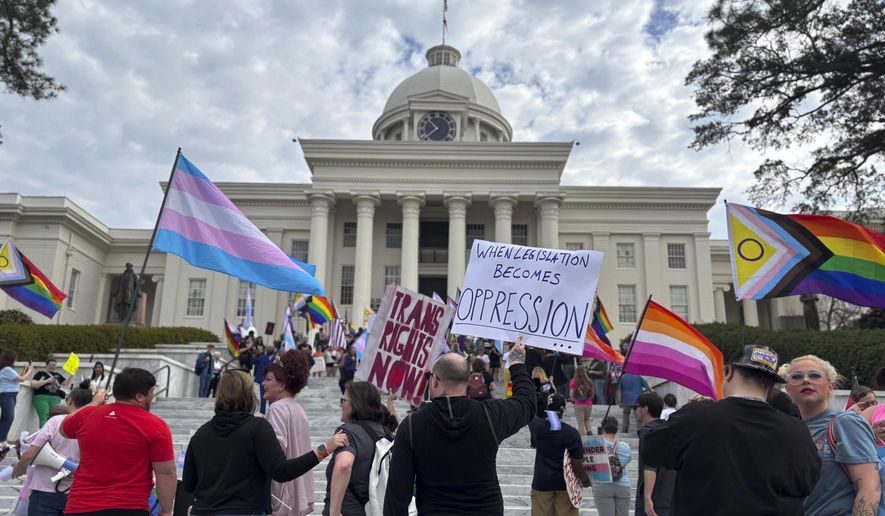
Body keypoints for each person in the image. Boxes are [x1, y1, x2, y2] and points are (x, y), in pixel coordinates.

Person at [641, 345, 822, 515]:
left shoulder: (698, 417)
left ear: (729, 373)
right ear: (771, 387)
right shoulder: (796, 429)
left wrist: (685, 414)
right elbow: (807, 482)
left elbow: (651, 450)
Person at [384, 337, 535, 515]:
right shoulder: (490, 415)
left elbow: (398, 492)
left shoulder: (411, 426)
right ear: (469, 381)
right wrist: (517, 362)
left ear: (435, 381)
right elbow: (527, 403)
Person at [184, 370, 347, 515]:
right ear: (248, 394)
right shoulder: (257, 429)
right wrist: (324, 449)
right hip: (246, 510)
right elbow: (281, 471)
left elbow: (189, 484)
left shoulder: (200, 434)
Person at [61, 367, 177, 516]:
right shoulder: (156, 425)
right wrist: (166, 511)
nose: (153, 396)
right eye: (152, 391)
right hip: (128, 507)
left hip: (79, 506)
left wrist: (93, 403)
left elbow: (64, 428)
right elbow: (166, 472)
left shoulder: (88, 415)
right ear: (139, 396)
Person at [784, 355, 880, 515]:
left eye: (815, 375)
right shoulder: (790, 430)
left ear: (830, 386)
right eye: (797, 376)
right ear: (788, 389)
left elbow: (870, 487)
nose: (806, 380)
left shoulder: (845, 422)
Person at [11, 387, 93, 516]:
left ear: (70, 401)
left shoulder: (56, 421)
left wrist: (20, 467)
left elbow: (31, 453)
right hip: (78, 494)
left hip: (44, 492)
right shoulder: (95, 424)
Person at [324, 381, 398, 516]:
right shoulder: (385, 432)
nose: (341, 404)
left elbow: (344, 465)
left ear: (356, 403)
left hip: (348, 510)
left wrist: (334, 511)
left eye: (344, 400)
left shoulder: (348, 432)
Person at [263, 350, 315, 515]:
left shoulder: (277, 409)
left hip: (281, 496)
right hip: (297, 494)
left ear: (282, 384)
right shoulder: (298, 408)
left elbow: (273, 455)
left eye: (268, 379)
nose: (264, 383)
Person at [529, 394, 590, 516]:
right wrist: (585, 480)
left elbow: (532, 415)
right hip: (564, 484)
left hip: (541, 482)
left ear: (547, 407)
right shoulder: (571, 433)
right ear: (564, 409)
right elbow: (576, 463)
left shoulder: (536, 426)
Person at [633, 392, 676, 516]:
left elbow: (650, 466)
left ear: (645, 409)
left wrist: (647, 498)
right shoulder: (669, 430)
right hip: (668, 497)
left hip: (652, 500)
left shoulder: (647, 432)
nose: (635, 411)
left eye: (636, 407)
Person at [590, 416, 631, 516]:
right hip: (622, 484)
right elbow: (626, 461)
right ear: (616, 429)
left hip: (602, 484)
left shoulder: (595, 445)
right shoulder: (625, 447)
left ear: (603, 428)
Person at [0, 350, 32, 441]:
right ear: (12, 358)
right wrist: (30, 371)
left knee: (6, 418)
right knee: (9, 417)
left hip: (11, 395)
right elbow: (22, 379)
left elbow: (17, 379)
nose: (16, 359)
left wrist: (24, 370)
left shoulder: (8, 370)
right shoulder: (7, 369)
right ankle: (1, 440)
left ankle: (2, 439)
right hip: (6, 395)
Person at [32, 358, 71, 428]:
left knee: (54, 417)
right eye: (51, 365)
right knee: (44, 416)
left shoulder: (58, 375)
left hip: (55, 397)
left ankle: (52, 436)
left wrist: (72, 374)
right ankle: (43, 436)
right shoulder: (40, 373)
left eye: (54, 365)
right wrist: (47, 381)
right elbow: (33, 384)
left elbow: (65, 383)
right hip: (41, 396)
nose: (52, 367)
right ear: (46, 365)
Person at [570, 366, 594, 437]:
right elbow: (592, 394)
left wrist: (574, 400)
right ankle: (589, 431)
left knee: (580, 422)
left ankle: (582, 438)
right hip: (588, 404)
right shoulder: (589, 381)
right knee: (587, 419)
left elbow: (571, 394)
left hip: (578, 404)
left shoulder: (573, 381)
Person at [254, 345, 277, 414]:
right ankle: (262, 412)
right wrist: (257, 353)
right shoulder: (261, 357)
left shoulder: (275, 359)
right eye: (269, 349)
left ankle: (271, 412)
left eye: (270, 349)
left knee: (271, 397)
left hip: (272, 380)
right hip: (262, 380)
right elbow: (253, 361)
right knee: (263, 397)